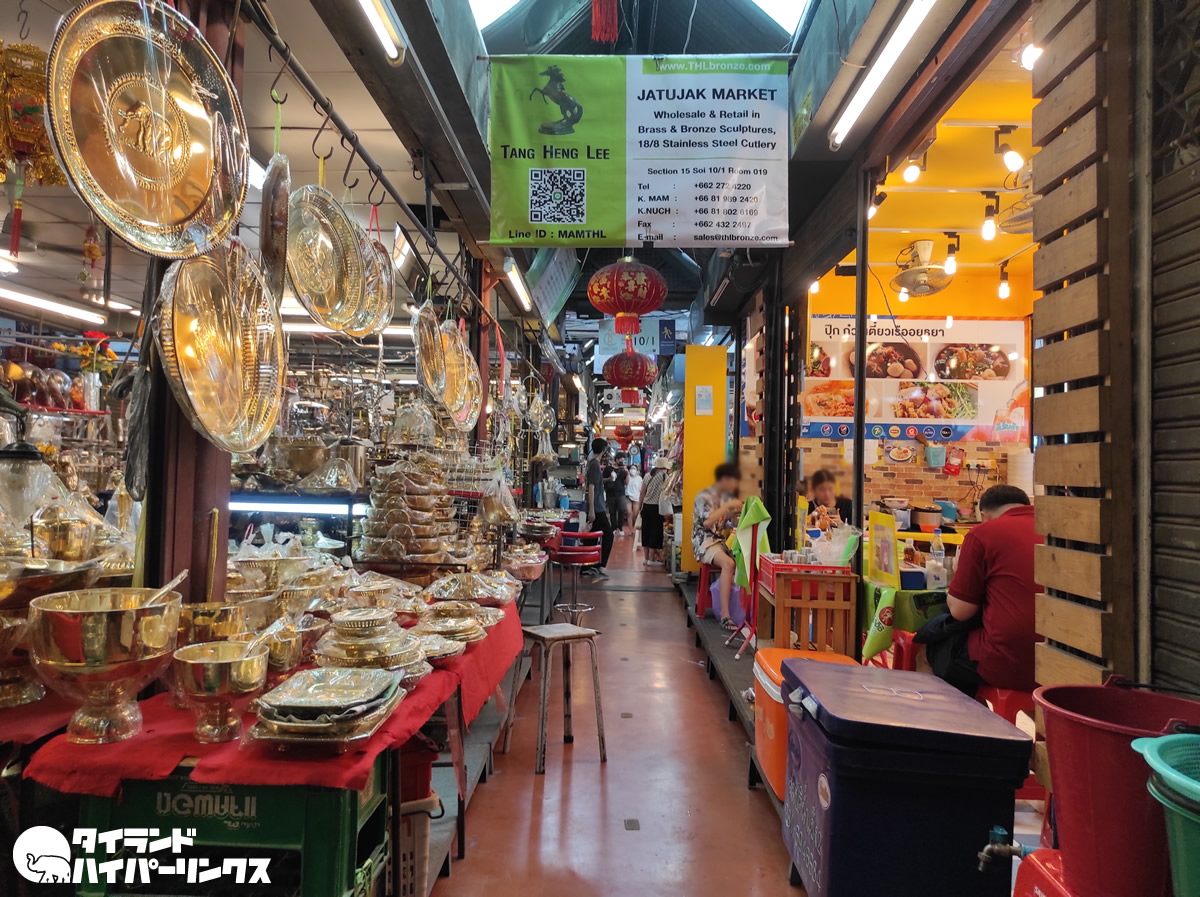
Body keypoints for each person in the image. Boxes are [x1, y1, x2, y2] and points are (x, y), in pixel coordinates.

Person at [914, 485, 1041, 696]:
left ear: (984, 515)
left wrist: (958, 572)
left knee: (928, 648)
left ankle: (937, 715)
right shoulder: (1056, 530)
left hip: (1010, 661)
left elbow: (960, 611)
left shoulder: (983, 533)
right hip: (1064, 662)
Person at [692, 462, 743, 630]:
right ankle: (725, 616)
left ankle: (740, 610)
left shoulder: (722, 498)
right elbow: (708, 523)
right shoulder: (704, 496)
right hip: (704, 542)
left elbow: (722, 521)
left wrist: (734, 512)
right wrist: (727, 507)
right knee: (729, 564)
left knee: (743, 561)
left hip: (718, 542)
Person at [583, 438, 614, 577]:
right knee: (608, 534)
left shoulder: (591, 463)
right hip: (597, 507)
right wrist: (592, 510)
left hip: (596, 506)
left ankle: (588, 565)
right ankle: (599, 565)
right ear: (603, 450)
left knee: (592, 537)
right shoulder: (595, 465)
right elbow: (591, 487)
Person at [640, 457, 670, 565]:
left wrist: (639, 506)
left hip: (646, 506)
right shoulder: (665, 477)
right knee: (655, 531)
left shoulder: (647, 475)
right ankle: (652, 559)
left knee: (646, 531)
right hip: (657, 508)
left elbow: (642, 492)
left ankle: (646, 558)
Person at [624, 463, 643, 537]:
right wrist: (627, 474)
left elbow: (641, 488)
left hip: (636, 497)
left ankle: (636, 529)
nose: (633, 470)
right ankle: (630, 530)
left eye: (634, 468)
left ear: (637, 470)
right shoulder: (627, 477)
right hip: (628, 496)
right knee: (629, 513)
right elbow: (625, 483)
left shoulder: (639, 479)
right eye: (631, 468)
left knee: (635, 514)